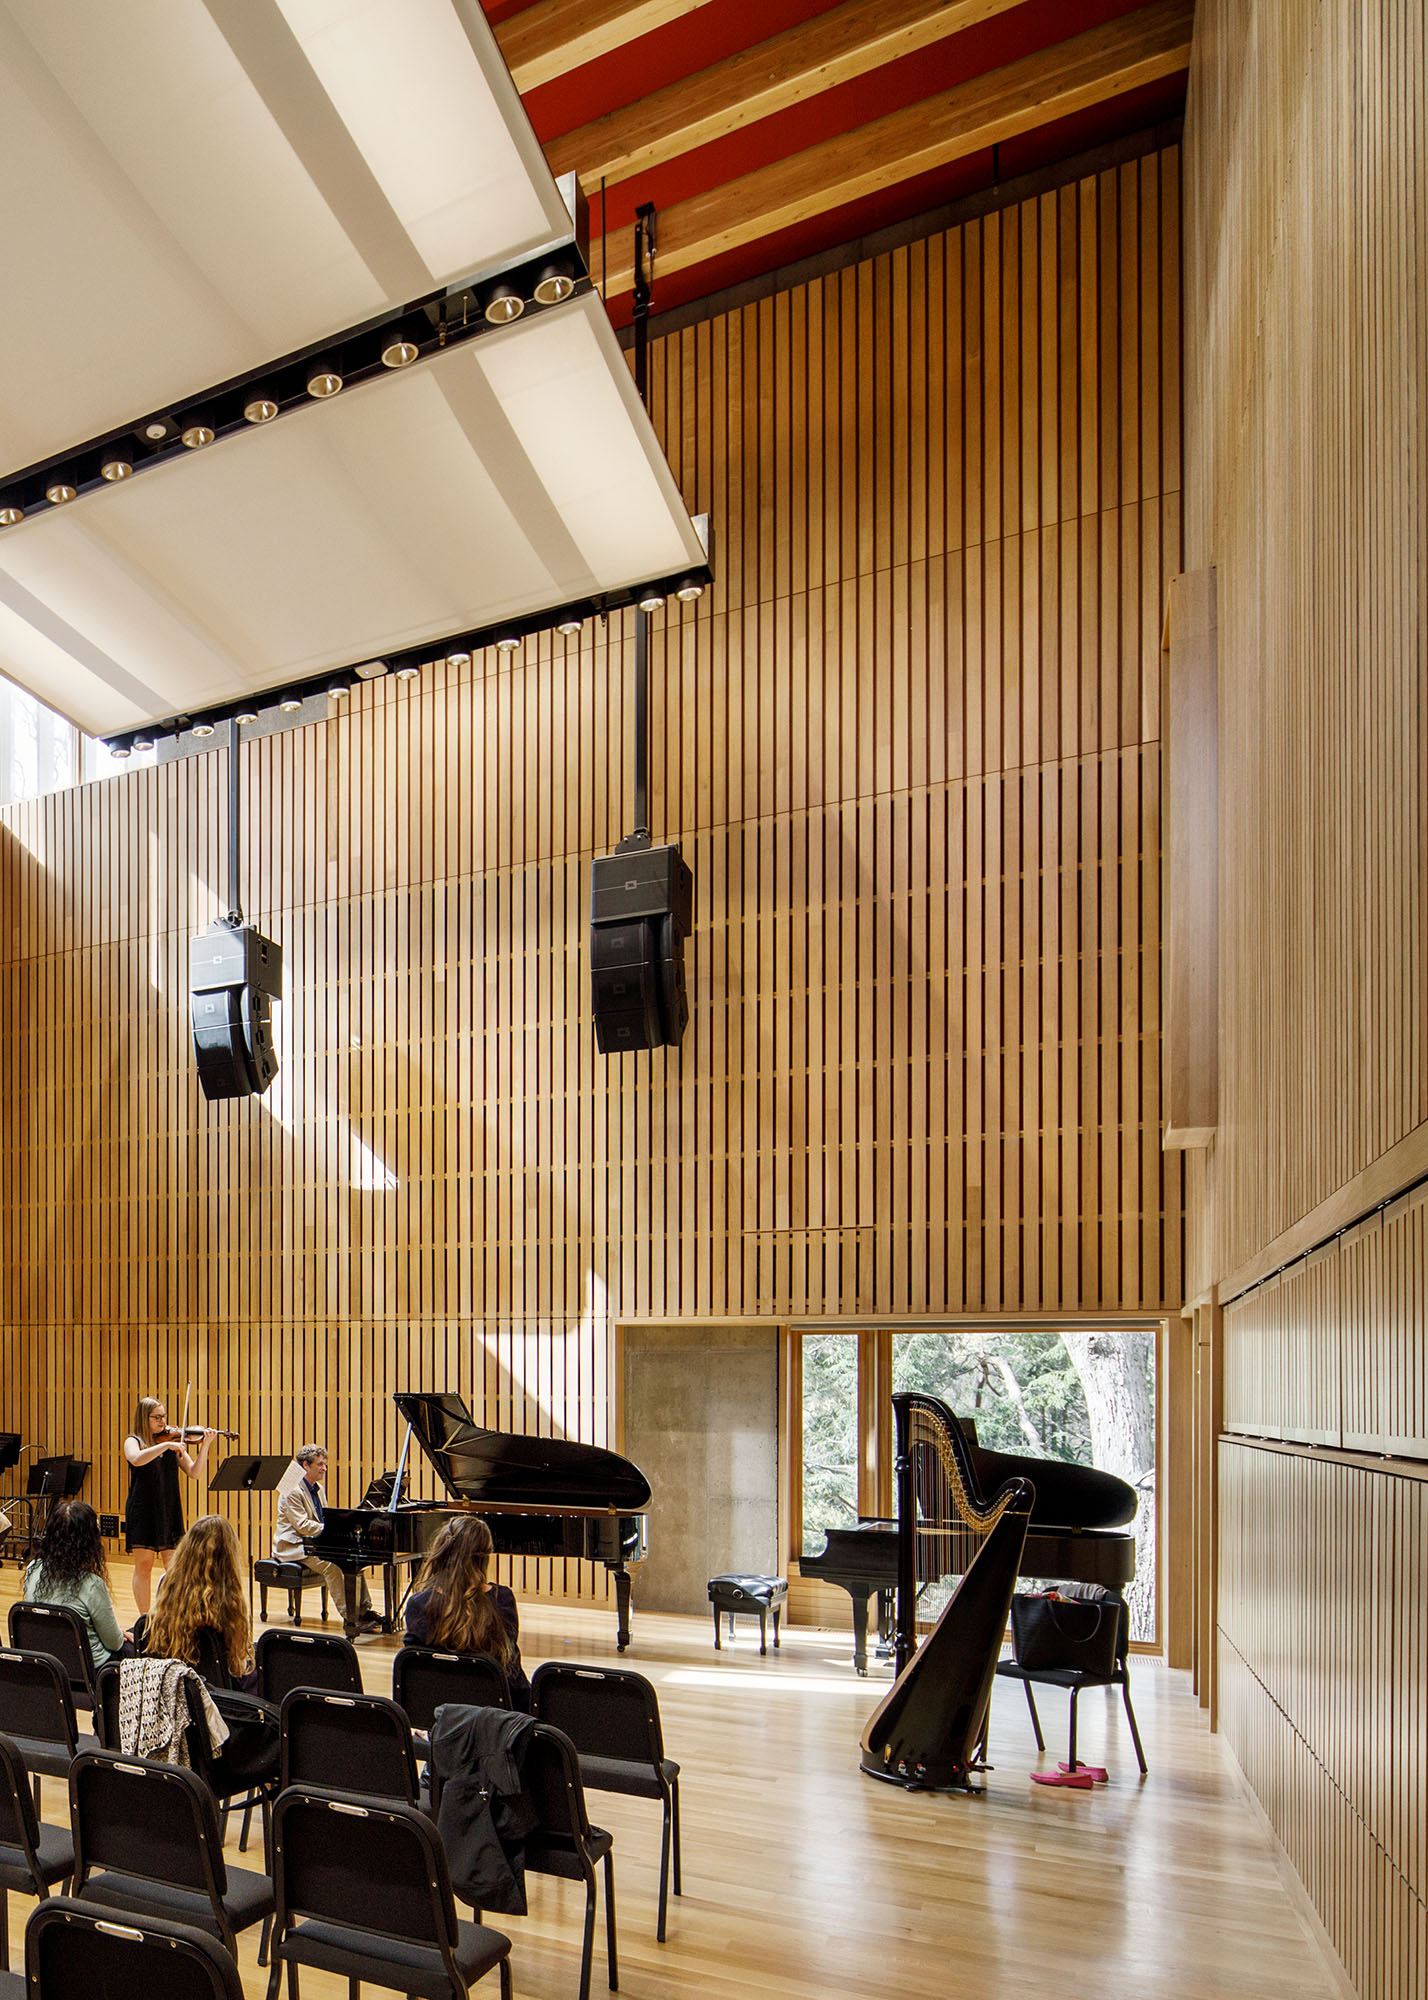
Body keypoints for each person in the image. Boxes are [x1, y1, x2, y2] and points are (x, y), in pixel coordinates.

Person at [404, 1514, 530, 1710]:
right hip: (492, 1722)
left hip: (438, 1719)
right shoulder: (502, 1599)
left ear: (442, 1549)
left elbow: (413, 1672)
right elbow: (512, 1676)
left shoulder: (418, 1604)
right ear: (485, 1556)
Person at [272, 1442, 380, 1633]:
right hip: (294, 1545)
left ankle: (364, 1610)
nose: (324, 1468)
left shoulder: (318, 1488)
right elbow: (303, 1526)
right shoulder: (290, 1488)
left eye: (324, 1463)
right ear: (305, 1465)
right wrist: (331, 1529)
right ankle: (350, 1616)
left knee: (354, 1558)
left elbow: (321, 1518)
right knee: (332, 1565)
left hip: (313, 1542)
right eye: (320, 1464)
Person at [123, 1398, 216, 1615]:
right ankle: (144, 1619)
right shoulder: (134, 1440)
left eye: (163, 1416)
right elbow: (136, 1459)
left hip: (169, 1509)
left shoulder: (173, 1442)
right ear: (144, 1418)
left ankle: (174, 1617)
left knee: (175, 1569)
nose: (163, 1421)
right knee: (143, 1567)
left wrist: (206, 1447)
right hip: (143, 1510)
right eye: (157, 1417)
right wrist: (165, 1445)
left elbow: (195, 1472)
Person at [145, 1512, 258, 1690]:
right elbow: (235, 1664)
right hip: (217, 1694)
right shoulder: (228, 1600)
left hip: (175, 1685)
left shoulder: (165, 1584)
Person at [23, 1498, 132, 1668]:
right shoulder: (91, 1585)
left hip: (47, 1667)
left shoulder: (32, 1570)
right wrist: (120, 1634)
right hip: (90, 1670)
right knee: (138, 1640)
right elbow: (114, 1643)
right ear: (89, 1541)